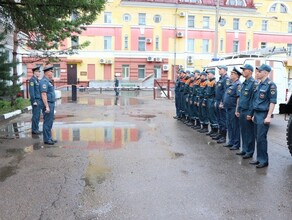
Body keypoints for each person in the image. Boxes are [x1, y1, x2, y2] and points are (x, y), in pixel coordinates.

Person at [250, 64, 277, 168]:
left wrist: (269, 116)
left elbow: (272, 101)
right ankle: (259, 158)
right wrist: (253, 115)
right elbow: (256, 100)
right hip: (257, 114)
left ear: (265, 73)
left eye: (259, 71)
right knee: (257, 137)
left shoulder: (271, 85)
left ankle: (264, 160)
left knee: (261, 138)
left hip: (263, 114)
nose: (257, 73)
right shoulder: (258, 84)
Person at [235, 64, 257, 158]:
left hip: (248, 111)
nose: (243, 71)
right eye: (243, 70)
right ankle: (244, 149)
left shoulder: (254, 83)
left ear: (250, 71)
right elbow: (241, 98)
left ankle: (249, 151)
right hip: (242, 110)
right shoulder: (243, 83)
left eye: (245, 70)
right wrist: (238, 110)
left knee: (249, 133)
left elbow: (253, 100)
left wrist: (250, 113)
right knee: (243, 131)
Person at [222, 67, 241, 150]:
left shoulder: (238, 85)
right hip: (228, 108)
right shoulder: (231, 84)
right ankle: (231, 141)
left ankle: (236, 144)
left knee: (235, 127)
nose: (230, 75)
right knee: (229, 125)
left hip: (233, 108)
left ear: (237, 75)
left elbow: (238, 98)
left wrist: (237, 109)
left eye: (232, 74)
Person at [212, 65, 231, 143]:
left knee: (223, 120)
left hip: (221, 102)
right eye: (219, 69)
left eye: (220, 69)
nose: (219, 70)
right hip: (217, 101)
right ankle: (220, 134)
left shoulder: (226, 79)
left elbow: (226, 92)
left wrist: (222, 102)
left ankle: (223, 136)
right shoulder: (220, 79)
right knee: (219, 119)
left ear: (225, 70)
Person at [39, 66, 56, 145]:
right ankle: (47, 139)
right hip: (48, 103)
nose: (52, 73)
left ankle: (49, 138)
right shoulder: (44, 82)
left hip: (51, 103)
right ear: (46, 72)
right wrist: (47, 106)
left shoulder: (48, 81)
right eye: (51, 71)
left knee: (50, 122)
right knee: (47, 122)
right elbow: (43, 94)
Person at [29, 65, 42, 135]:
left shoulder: (37, 80)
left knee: (38, 115)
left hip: (39, 100)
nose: (39, 73)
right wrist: (33, 101)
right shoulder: (32, 80)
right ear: (35, 72)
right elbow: (31, 92)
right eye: (38, 72)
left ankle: (36, 128)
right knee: (35, 115)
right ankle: (34, 130)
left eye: (39, 72)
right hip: (36, 100)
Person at [205, 70, 219, 136]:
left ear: (213, 74)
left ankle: (216, 131)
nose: (207, 75)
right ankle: (212, 130)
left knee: (213, 116)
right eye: (207, 74)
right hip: (208, 99)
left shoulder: (214, 82)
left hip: (212, 99)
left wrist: (215, 102)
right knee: (210, 115)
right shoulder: (209, 82)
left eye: (209, 74)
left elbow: (216, 93)